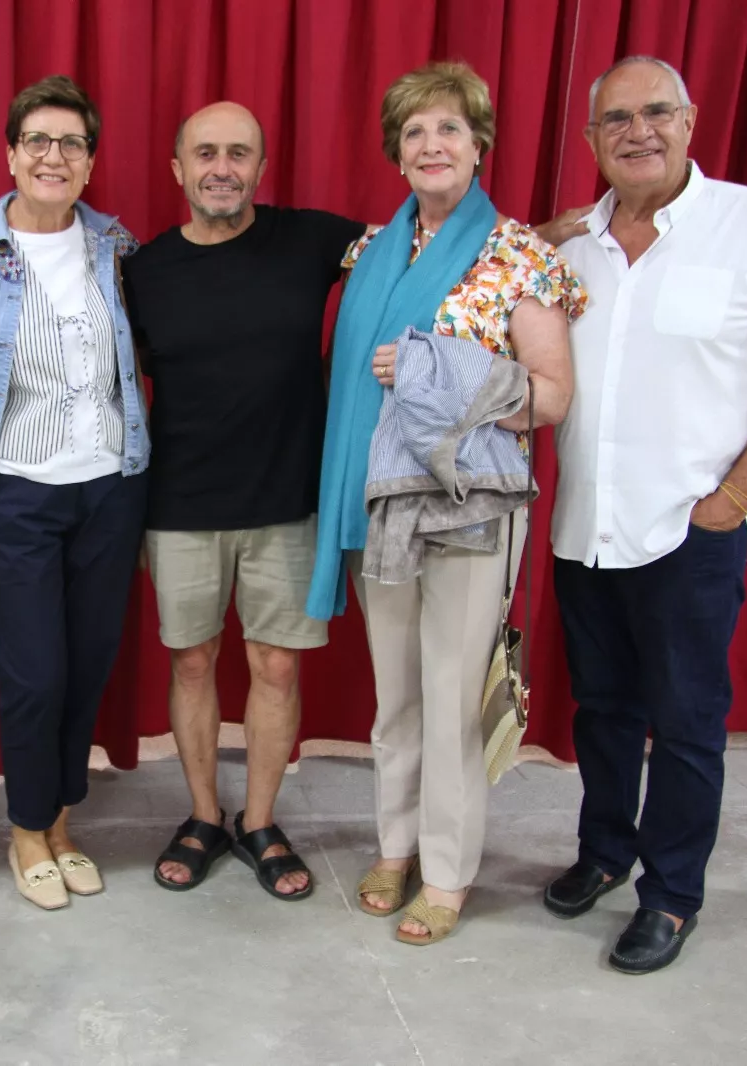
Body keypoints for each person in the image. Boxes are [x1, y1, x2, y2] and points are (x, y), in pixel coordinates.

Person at [542, 56, 747, 974]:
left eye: (656, 113)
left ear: (691, 119)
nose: (639, 132)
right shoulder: (571, 245)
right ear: (591, 142)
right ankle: (604, 852)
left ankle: (671, 894)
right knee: (601, 712)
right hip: (584, 529)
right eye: (617, 121)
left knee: (686, 721)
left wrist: (733, 503)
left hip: (690, 534)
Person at [308, 62, 584, 944]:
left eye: (450, 131)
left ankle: (449, 868)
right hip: (382, 503)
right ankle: (394, 846)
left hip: (469, 510)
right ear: (397, 153)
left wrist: (442, 371)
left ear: (478, 147)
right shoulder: (370, 251)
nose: (433, 145)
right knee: (397, 696)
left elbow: (550, 397)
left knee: (453, 691)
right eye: (416, 132)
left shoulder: (519, 256)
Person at [123, 102, 365, 900]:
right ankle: (202, 815)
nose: (221, 167)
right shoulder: (143, 269)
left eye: (238, 153)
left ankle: (259, 821)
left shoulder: (316, 240)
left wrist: (550, 234)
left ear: (261, 167)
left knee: (275, 668)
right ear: (178, 169)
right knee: (191, 661)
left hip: (288, 502)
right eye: (204, 153)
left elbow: (428, 253)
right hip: (180, 500)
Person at [0, 75, 150, 911]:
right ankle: (25, 829)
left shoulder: (112, 244)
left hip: (109, 488)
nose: (55, 157)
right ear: (12, 153)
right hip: (14, 495)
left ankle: (61, 820)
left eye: (73, 144)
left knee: (88, 665)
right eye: (39, 142)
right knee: (33, 673)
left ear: (91, 162)